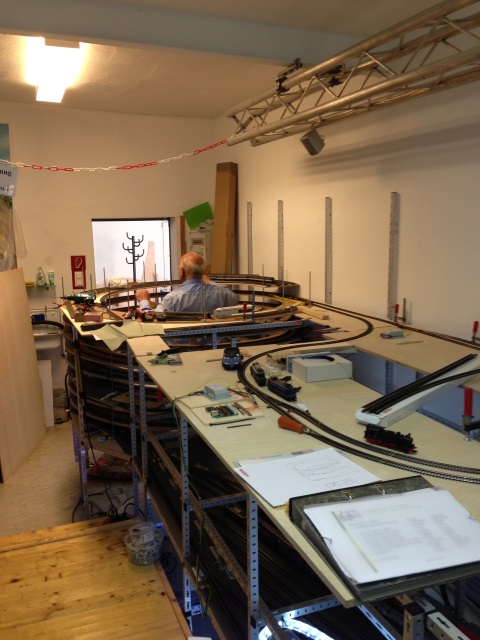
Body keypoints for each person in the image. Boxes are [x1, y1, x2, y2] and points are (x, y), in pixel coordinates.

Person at [135, 252, 238, 315]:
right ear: (203, 272)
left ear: (182, 272)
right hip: (216, 344)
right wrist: (209, 282)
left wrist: (144, 301)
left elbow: (150, 320)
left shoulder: (172, 299)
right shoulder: (222, 293)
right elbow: (231, 296)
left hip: (181, 345)